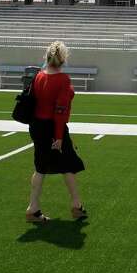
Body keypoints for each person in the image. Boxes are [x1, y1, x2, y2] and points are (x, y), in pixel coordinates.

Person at [25, 41, 86, 223]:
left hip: (37, 126)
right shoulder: (63, 79)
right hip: (53, 128)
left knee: (41, 167)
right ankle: (76, 205)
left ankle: (33, 208)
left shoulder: (39, 76)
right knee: (68, 164)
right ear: (63, 59)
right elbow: (59, 111)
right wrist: (59, 137)